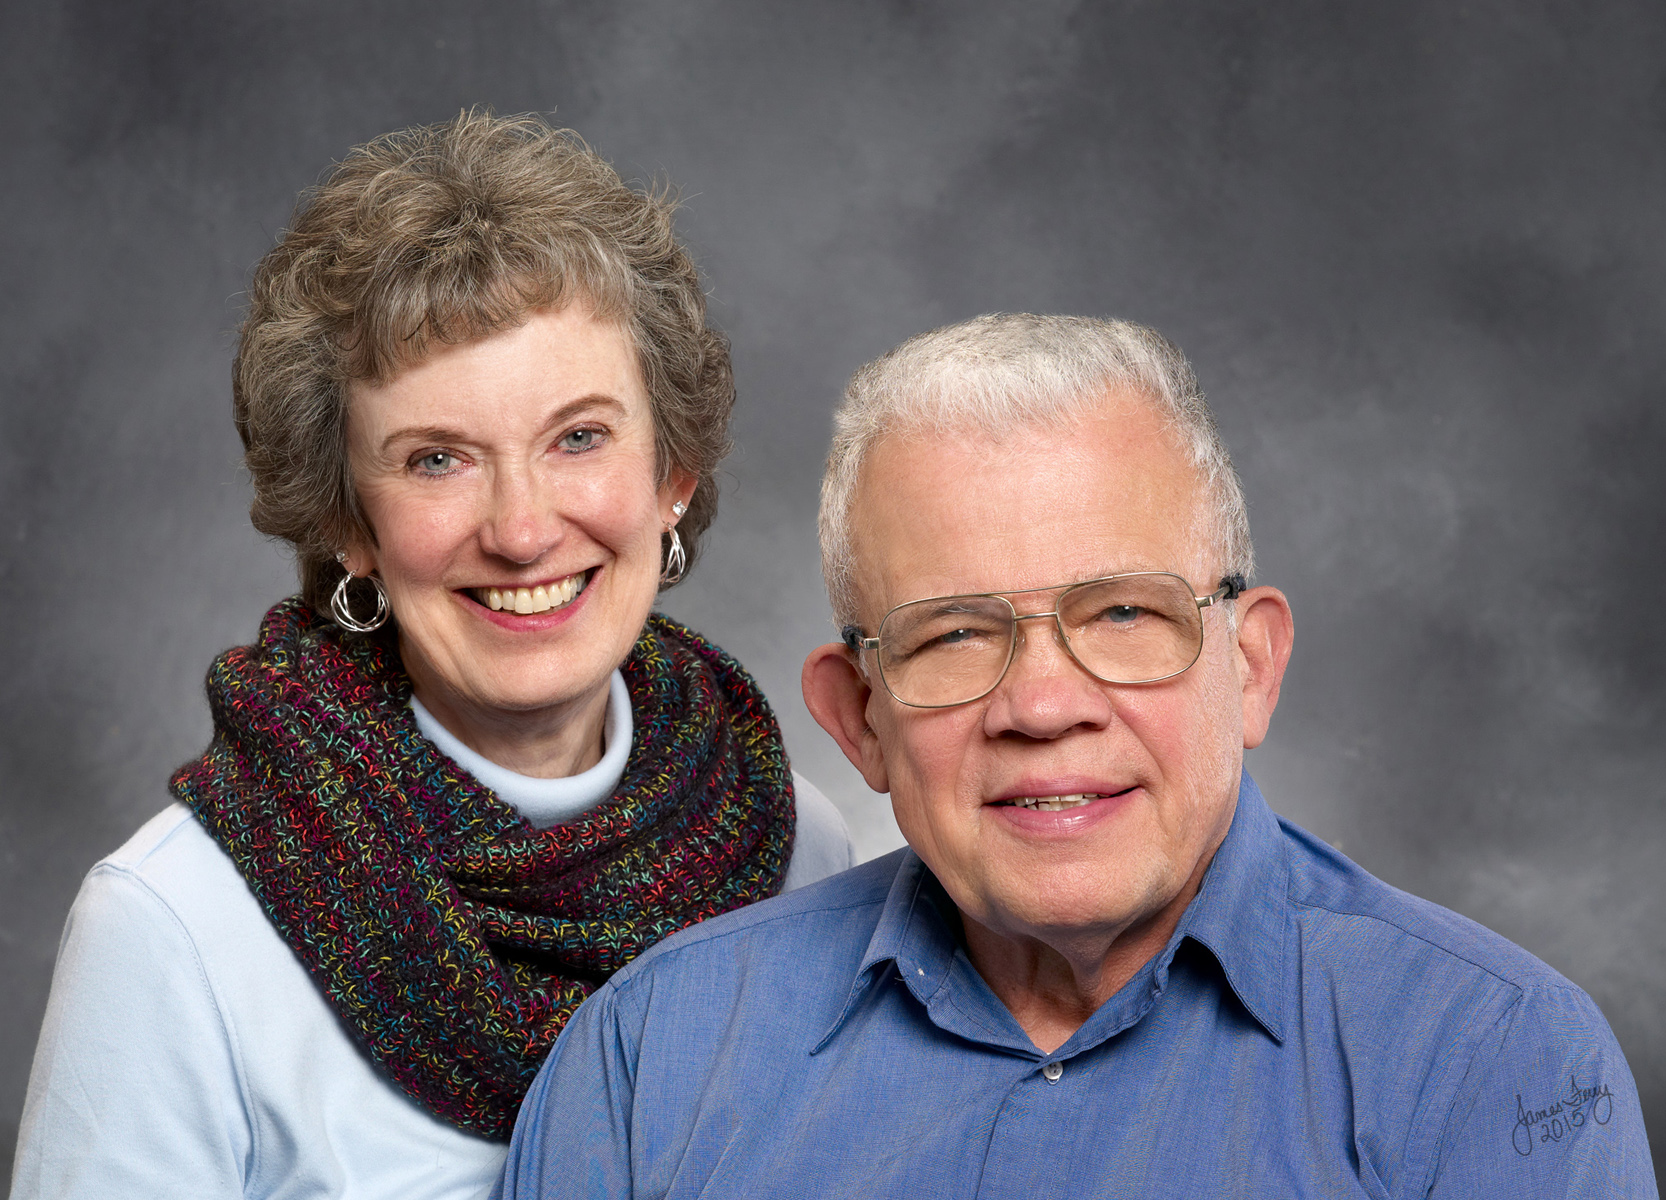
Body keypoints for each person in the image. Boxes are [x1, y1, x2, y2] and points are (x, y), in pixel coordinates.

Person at [495, 313, 1657, 1198]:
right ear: (858, 721)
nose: (1043, 705)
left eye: (1123, 617)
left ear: (1246, 667)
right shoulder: (653, 1061)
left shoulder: (1486, 1059)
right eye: (952, 634)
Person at [10, 111, 853, 1200]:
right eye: (437, 459)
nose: (518, 528)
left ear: (673, 475)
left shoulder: (794, 849)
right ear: (348, 524)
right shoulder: (175, 925)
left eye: (580, 437)